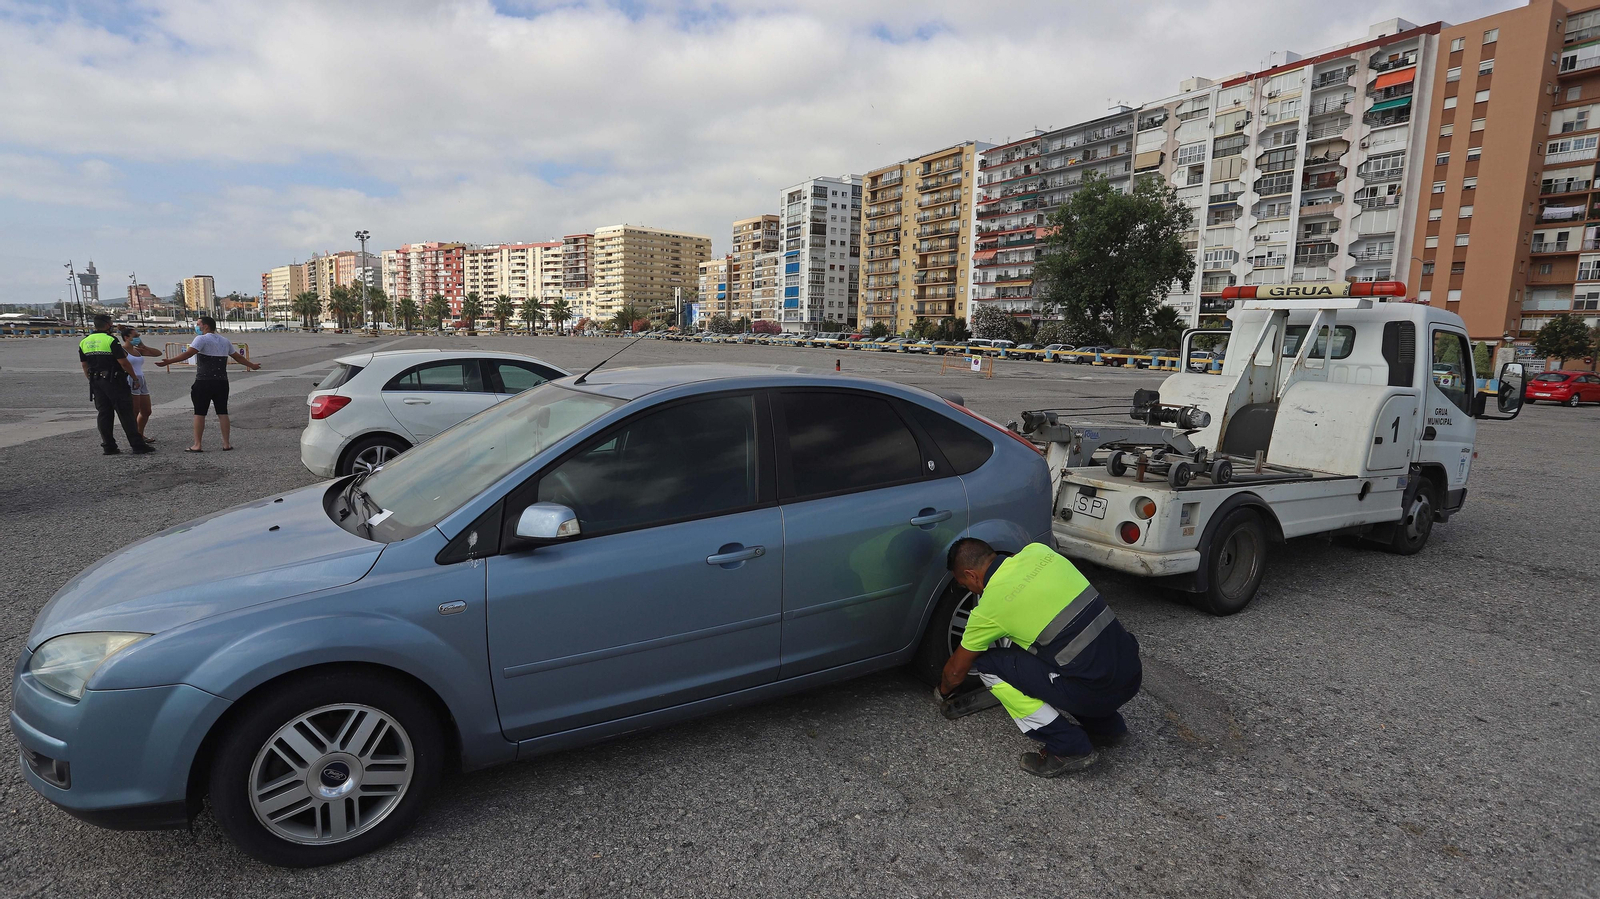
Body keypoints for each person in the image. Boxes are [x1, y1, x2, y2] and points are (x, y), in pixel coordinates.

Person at [938, 538, 1142, 776]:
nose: (969, 589)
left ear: (971, 575)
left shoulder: (990, 607)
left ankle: (1068, 747)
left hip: (1096, 694)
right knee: (1069, 653)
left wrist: (943, 692)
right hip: (1131, 673)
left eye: (963, 584)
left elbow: (955, 672)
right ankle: (1108, 728)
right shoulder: (1039, 552)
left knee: (987, 665)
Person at [155, 316, 260, 452]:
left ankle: (197, 444)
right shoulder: (224, 340)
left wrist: (169, 361)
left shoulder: (201, 339)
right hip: (222, 381)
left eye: (198, 324)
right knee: (222, 412)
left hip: (204, 381)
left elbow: (189, 353)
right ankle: (226, 443)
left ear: (206, 326)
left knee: (200, 412)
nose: (197, 327)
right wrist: (251, 365)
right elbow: (237, 357)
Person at [78, 314, 154, 455]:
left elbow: (84, 365)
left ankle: (109, 446)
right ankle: (137, 445)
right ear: (107, 325)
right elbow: (123, 362)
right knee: (126, 413)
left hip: (96, 381)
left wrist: (91, 379)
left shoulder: (85, 341)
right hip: (114, 381)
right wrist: (134, 378)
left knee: (104, 414)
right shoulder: (111, 340)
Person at [119, 325, 163, 443]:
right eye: (135, 336)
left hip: (141, 378)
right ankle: (133, 436)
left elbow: (157, 353)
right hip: (131, 379)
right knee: (134, 410)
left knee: (146, 411)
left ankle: (140, 433)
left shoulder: (137, 350)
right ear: (126, 337)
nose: (138, 338)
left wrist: (144, 346)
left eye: (138, 336)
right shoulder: (121, 351)